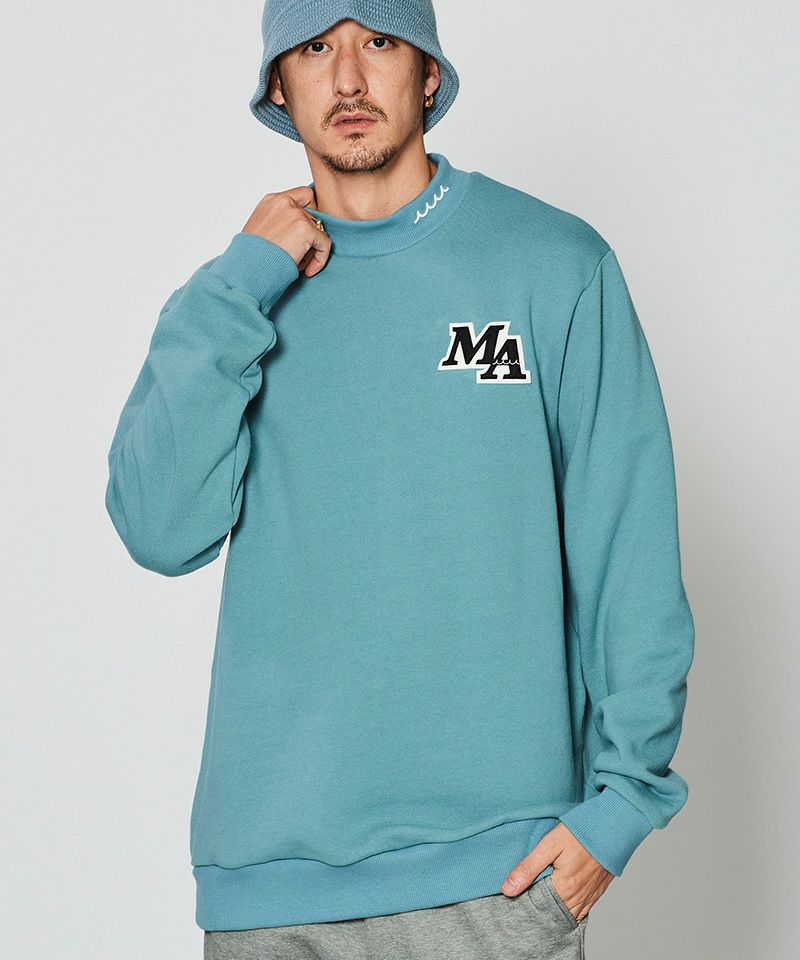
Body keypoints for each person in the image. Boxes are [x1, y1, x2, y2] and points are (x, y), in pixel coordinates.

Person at [104, 1, 696, 957]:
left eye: (377, 41)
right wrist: (239, 282)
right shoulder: (236, 300)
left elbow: (628, 548)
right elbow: (159, 530)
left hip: (498, 880)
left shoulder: (552, 265)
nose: (347, 78)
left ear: (428, 72)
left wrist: (622, 806)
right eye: (314, 48)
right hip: (271, 889)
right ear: (278, 88)